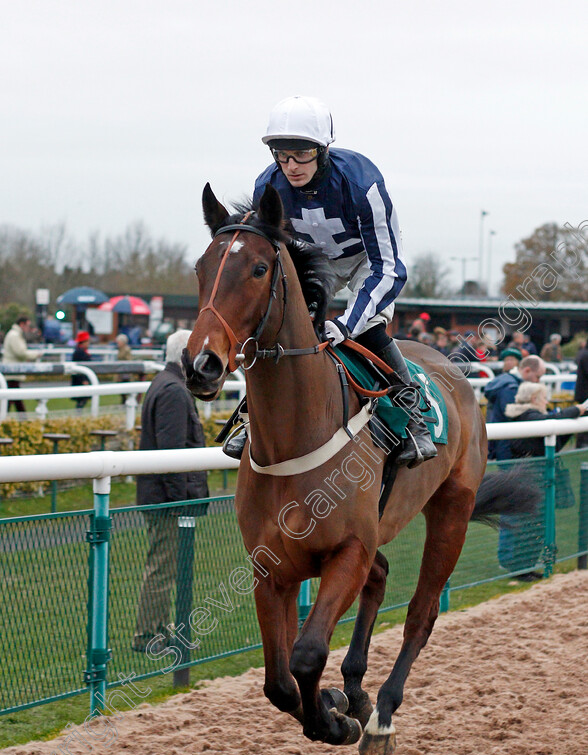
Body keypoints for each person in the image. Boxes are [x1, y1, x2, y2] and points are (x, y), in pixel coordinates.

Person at [249, 95, 437, 468]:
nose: (291, 166)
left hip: (370, 260)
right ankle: (248, 416)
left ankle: (413, 414)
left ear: (322, 149)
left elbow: (390, 268)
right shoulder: (267, 188)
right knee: (285, 326)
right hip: (316, 260)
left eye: (301, 154)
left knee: (366, 329)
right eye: (281, 156)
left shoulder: (361, 182)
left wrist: (347, 324)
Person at [132, 330, 209, 654]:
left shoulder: (166, 384)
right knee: (162, 568)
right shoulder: (174, 391)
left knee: (165, 567)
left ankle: (159, 630)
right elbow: (171, 454)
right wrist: (180, 503)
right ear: (186, 355)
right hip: (167, 501)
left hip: (162, 497)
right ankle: (147, 635)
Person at [502, 382, 587, 579]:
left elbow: (555, 440)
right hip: (529, 479)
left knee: (535, 525)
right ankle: (521, 570)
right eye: (543, 398)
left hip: (532, 478)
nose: (547, 401)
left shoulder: (525, 415)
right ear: (533, 399)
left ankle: (526, 568)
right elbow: (551, 420)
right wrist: (578, 409)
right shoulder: (528, 416)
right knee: (529, 526)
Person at [484, 355, 546, 460]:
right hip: (506, 441)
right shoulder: (510, 388)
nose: (538, 381)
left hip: (503, 438)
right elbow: (513, 416)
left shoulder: (506, 382)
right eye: (538, 377)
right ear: (527, 371)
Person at [1, 315, 41, 412]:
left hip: (13, 371)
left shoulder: (16, 334)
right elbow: (20, 352)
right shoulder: (14, 335)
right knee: (12, 399)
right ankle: (23, 419)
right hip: (12, 371)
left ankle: (22, 419)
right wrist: (36, 354)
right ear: (22, 324)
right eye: (27, 325)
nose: (28, 328)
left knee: (14, 399)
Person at [71, 331, 92, 411]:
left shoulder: (81, 351)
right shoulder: (79, 352)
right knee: (82, 399)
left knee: (83, 399)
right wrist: (84, 380)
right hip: (81, 380)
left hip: (82, 379)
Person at [116, 333, 133, 405]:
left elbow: (129, 360)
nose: (117, 343)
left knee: (126, 388)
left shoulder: (126, 350)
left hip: (126, 373)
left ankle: (126, 402)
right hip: (121, 372)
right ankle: (124, 402)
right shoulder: (120, 350)